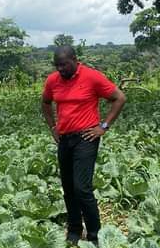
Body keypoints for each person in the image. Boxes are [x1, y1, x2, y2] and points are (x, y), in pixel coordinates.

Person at [41, 46, 126, 245]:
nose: (60, 69)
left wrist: (103, 126)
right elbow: (45, 103)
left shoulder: (92, 77)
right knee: (68, 187)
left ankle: (95, 234)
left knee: (82, 188)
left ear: (75, 60)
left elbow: (119, 98)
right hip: (64, 138)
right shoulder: (53, 80)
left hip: (86, 138)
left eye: (64, 64)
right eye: (57, 65)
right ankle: (74, 230)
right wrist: (53, 126)